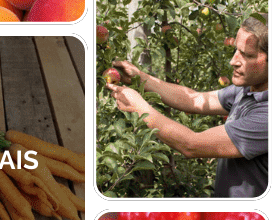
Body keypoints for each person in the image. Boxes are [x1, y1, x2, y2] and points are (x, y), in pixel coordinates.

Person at [106, 15, 268, 198]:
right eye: (236, 50)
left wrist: (139, 109)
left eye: (247, 55)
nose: (233, 61)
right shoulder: (248, 88)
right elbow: (196, 100)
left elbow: (191, 144)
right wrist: (141, 78)